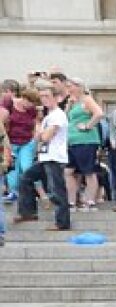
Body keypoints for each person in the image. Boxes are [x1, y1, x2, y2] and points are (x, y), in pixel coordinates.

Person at [15, 88, 70, 231]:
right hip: (45, 156)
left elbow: (45, 137)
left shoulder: (58, 115)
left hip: (55, 157)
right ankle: (28, 212)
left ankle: (62, 222)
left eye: (47, 96)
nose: (44, 99)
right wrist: (40, 131)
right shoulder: (48, 116)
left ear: (56, 98)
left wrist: (39, 129)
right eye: (42, 96)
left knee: (56, 189)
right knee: (25, 178)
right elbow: (37, 137)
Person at [63, 77, 103, 211]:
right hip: (73, 141)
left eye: (71, 86)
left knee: (88, 171)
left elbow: (98, 113)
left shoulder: (87, 99)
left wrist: (87, 126)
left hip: (86, 140)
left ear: (79, 87)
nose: (69, 89)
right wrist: (68, 106)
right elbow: (66, 118)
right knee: (68, 171)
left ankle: (90, 201)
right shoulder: (73, 102)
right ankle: (72, 201)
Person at [2, 88, 39, 204]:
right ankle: (14, 192)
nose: (31, 106)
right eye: (30, 103)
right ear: (24, 98)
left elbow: (35, 124)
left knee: (27, 167)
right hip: (11, 142)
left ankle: (30, 191)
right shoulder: (10, 105)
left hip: (27, 142)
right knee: (12, 171)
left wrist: (35, 139)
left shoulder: (32, 110)